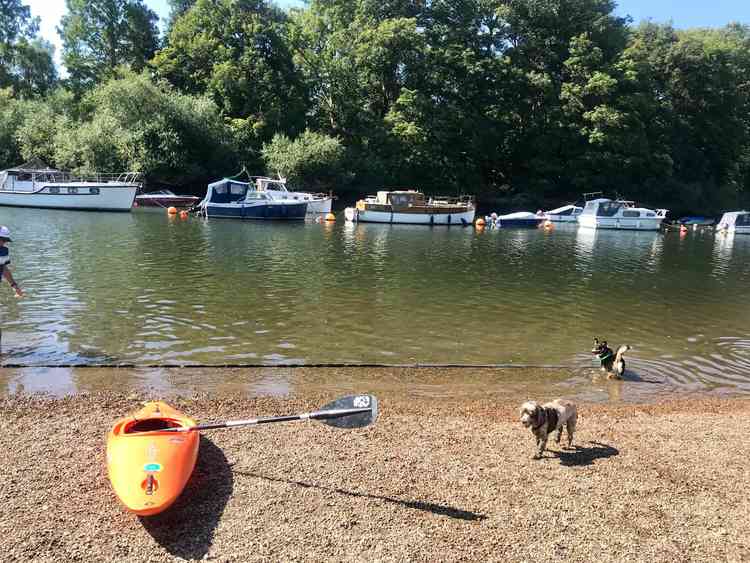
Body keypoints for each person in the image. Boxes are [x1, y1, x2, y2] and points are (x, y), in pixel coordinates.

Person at [0, 226, 22, 298]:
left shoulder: (3, 251)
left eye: (5, 240)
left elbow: (3, 268)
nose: (4, 243)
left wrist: (14, 285)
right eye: (2, 240)